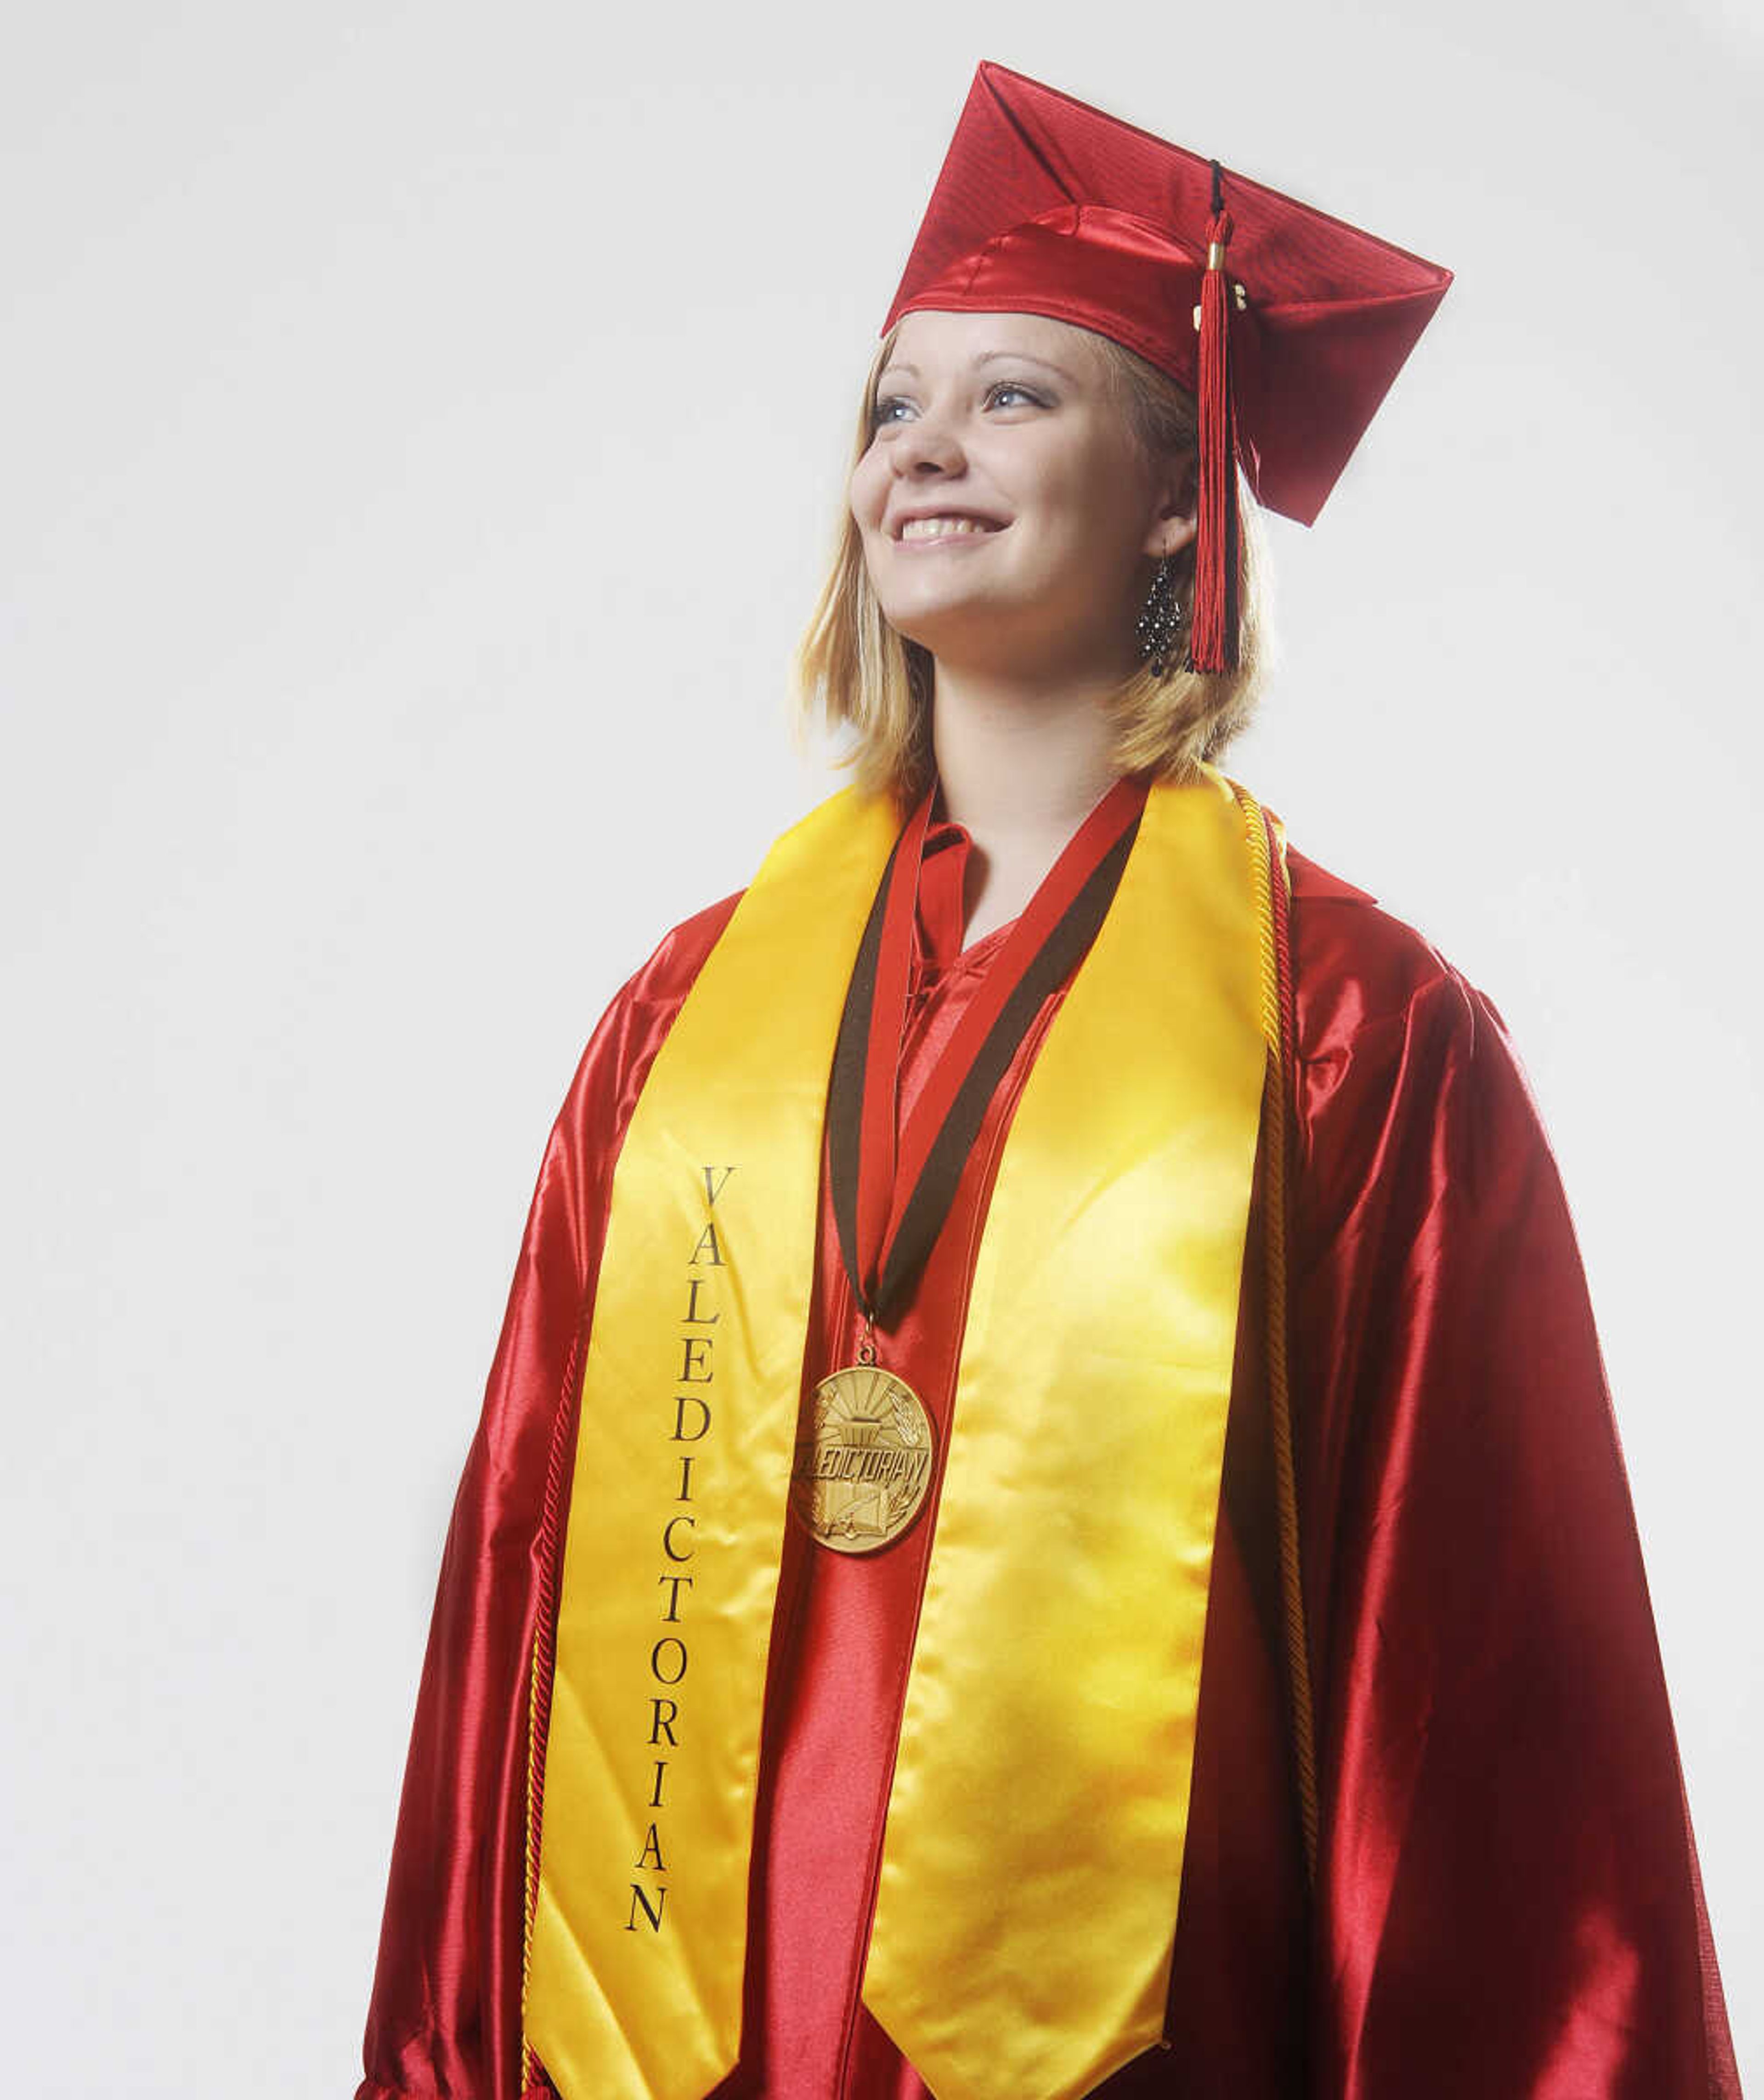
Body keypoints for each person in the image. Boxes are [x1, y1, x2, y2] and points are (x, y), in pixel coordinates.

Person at [354, 59, 1741, 2100]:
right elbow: (519, 1603)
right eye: (892, 404)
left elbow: (1473, 1690)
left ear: (1181, 493)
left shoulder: (1351, 1034)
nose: (926, 446)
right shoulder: (678, 1025)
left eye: (1015, 395)